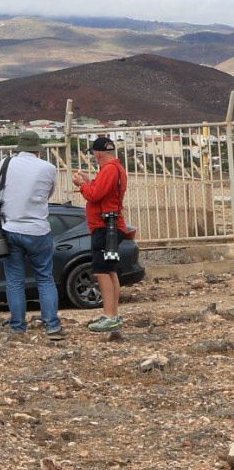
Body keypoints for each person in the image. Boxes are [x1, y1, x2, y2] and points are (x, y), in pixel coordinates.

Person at [0, 132, 63, 338]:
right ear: (38, 149)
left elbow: (0, 192)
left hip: (10, 228)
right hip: (38, 230)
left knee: (15, 280)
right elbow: (49, 194)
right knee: (44, 277)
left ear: (19, 147)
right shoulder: (48, 168)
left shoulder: (4, 164)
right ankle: (52, 325)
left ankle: (18, 326)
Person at [74, 135, 130, 332]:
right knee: (110, 270)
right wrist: (90, 182)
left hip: (105, 226)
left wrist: (82, 186)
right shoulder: (116, 169)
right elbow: (100, 190)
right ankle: (113, 314)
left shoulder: (109, 169)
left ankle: (109, 315)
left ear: (97, 153)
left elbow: (94, 195)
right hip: (112, 226)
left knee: (102, 271)